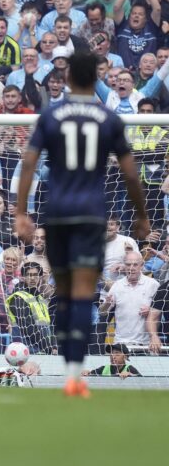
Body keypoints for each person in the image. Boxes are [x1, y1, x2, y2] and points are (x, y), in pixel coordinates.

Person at [15, 51, 150, 398]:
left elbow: (28, 164)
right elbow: (131, 173)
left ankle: (68, 370)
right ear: (97, 80)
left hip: (57, 213)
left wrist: (20, 212)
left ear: (70, 78)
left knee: (62, 293)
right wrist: (141, 214)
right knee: (82, 294)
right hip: (91, 215)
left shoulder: (52, 114)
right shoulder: (109, 118)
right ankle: (76, 378)